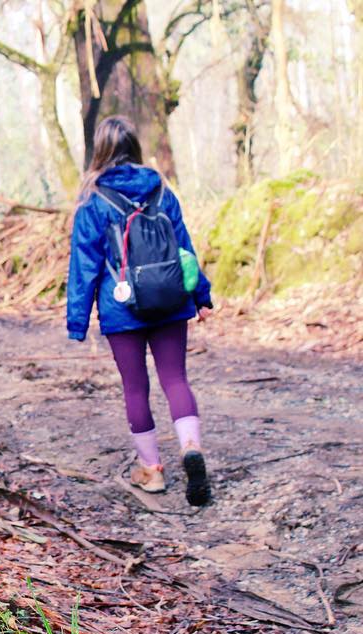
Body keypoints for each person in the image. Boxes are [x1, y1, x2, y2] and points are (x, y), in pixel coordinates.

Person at [67, 116, 214, 506]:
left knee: (136, 387)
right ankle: (190, 447)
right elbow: (184, 248)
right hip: (170, 300)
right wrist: (200, 295)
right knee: (175, 379)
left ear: (99, 149)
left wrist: (77, 321)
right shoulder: (161, 189)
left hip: (121, 307)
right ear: (134, 146)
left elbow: (84, 265)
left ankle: (152, 471)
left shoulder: (93, 199)